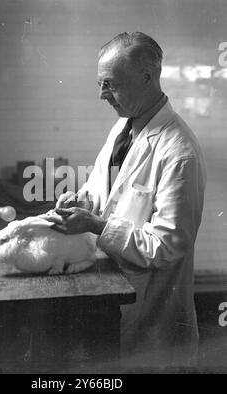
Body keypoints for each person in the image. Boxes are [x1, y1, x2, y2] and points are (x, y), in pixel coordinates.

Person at [49, 32, 207, 368]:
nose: (102, 94)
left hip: (155, 317)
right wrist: (81, 200)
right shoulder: (123, 128)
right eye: (100, 83)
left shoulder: (179, 152)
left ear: (147, 77)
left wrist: (96, 224)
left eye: (110, 84)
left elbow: (166, 246)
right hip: (115, 299)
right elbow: (102, 192)